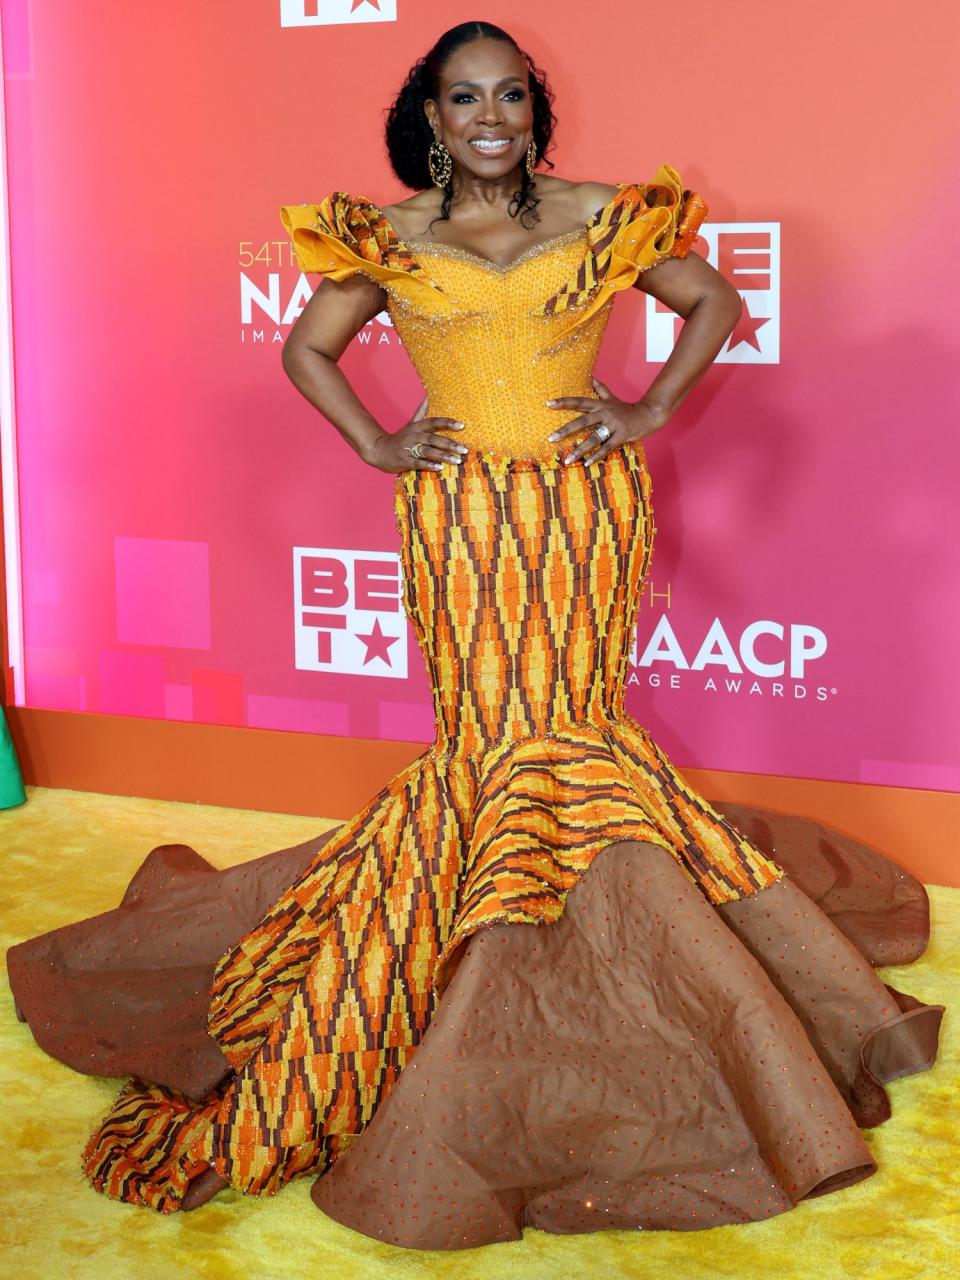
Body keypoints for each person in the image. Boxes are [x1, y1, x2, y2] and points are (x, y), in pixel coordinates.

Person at [7, 20, 944, 1251]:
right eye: (464, 98)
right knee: (492, 738)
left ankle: (596, 976)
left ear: (532, 111)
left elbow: (711, 298)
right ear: (433, 118)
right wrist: (381, 443)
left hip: (582, 509)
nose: (489, 115)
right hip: (456, 517)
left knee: (570, 726)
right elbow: (308, 348)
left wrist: (648, 406)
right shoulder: (387, 234)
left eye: (509, 94)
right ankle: (503, 972)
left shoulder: (604, 214)